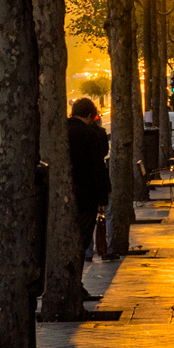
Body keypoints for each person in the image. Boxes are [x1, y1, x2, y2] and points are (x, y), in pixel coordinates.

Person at [68, 98, 111, 269]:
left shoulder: (60, 130)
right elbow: (97, 167)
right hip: (86, 195)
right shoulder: (90, 134)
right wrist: (102, 198)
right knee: (82, 237)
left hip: (62, 193)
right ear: (88, 115)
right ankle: (74, 279)